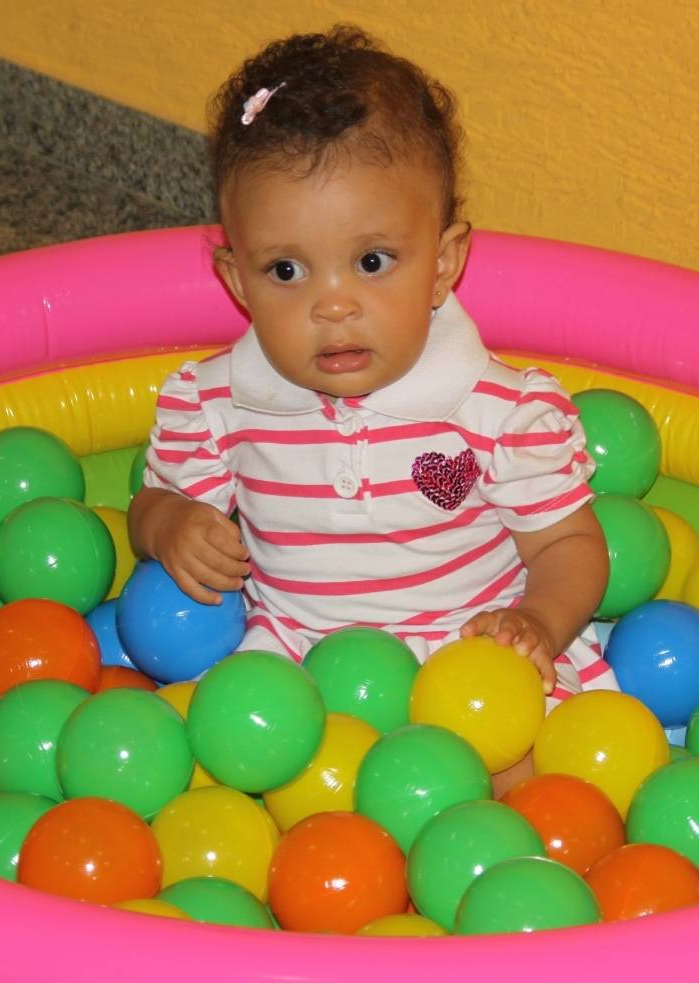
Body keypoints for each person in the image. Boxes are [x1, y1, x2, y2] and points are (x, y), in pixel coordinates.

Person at [128, 26, 618, 782]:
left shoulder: (498, 409)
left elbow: (569, 547)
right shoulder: (218, 400)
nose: (334, 307)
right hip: (295, 669)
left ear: (443, 263)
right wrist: (169, 526)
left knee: (522, 774)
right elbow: (154, 502)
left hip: (467, 662)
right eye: (286, 269)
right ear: (235, 277)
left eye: (372, 262)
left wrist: (537, 624)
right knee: (225, 764)